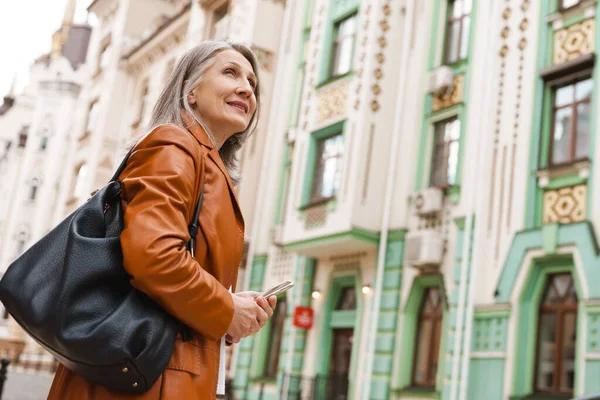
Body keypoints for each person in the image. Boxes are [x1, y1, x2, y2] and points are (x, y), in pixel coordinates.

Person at [47, 41, 276, 399]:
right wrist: (226, 309)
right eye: (230, 72)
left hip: (156, 373)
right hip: (145, 380)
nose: (247, 87)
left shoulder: (201, 162)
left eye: (253, 83)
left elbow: (170, 276)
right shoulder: (175, 146)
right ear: (192, 90)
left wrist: (233, 310)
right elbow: (153, 257)